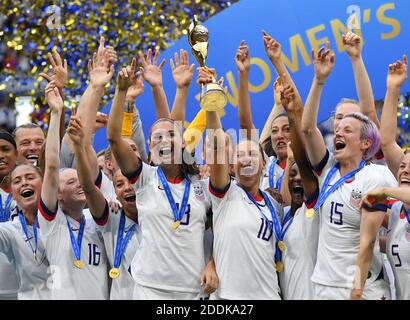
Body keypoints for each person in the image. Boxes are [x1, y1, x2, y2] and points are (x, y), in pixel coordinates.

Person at [108, 59, 217, 299]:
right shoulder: (144, 178)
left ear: (183, 141)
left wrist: (213, 263)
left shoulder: (202, 186)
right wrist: (120, 91)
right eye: (157, 138)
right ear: (148, 146)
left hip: (194, 291)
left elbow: (222, 230)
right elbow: (115, 138)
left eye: (171, 136)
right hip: (150, 291)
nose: (165, 140)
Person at [301, 41, 397, 300]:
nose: (338, 132)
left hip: (362, 289)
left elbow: (367, 244)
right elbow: (308, 128)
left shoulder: (376, 176)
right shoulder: (328, 169)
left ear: (366, 143)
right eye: (337, 128)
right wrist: (318, 81)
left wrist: (356, 290)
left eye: (348, 130)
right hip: (323, 286)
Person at [38, 79, 109, 300]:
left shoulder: (97, 221)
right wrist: (56, 113)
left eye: (79, 179)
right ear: (57, 194)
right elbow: (51, 165)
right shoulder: (52, 224)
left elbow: (89, 171)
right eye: (70, 182)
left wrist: (95, 88)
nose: (79, 183)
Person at [206, 98, 283, 299]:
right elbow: (217, 148)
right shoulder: (225, 193)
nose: (247, 159)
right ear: (231, 166)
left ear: (264, 163)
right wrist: (211, 104)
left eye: (252, 154)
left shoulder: (275, 206)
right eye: (240, 155)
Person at [67, 115, 141, 300]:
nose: (127, 187)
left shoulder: (160, 204)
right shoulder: (112, 215)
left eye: (134, 149)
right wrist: (81, 143)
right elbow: (90, 188)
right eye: (120, 184)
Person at [275, 80, 320, 300]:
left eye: (301, 174)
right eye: (291, 175)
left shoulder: (312, 212)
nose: (297, 178)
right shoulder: (283, 217)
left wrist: (293, 115)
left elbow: (302, 161)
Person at [357, 153, 410, 300]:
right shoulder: (396, 211)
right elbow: (395, 244)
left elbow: (387, 143)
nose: (405, 171)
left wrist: (384, 191)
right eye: (403, 166)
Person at [0, 162, 51, 299]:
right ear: (13, 195)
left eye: (30, 177)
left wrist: (113, 203)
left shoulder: (67, 221)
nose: (24, 183)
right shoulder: (10, 231)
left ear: (44, 183)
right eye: (17, 181)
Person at [0, 131, 19, 300]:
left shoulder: (32, 190)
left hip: (29, 285)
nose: (1, 156)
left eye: (5, 149)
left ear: (17, 153)